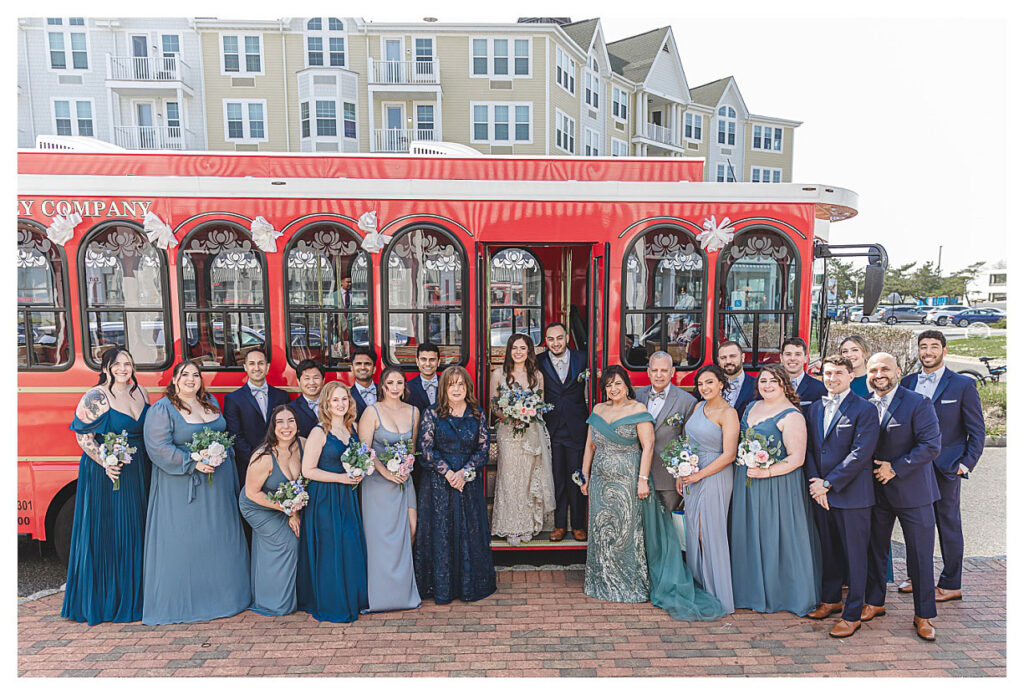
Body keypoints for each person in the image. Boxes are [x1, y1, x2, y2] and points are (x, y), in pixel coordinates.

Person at [580, 366, 724, 621]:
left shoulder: (638, 410)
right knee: (602, 529)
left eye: (618, 384)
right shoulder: (598, 410)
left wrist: (642, 481)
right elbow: (590, 445)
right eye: (609, 385)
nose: (614, 389)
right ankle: (601, 581)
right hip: (601, 482)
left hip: (628, 481)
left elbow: (647, 448)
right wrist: (585, 475)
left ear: (627, 386)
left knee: (626, 532)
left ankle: (629, 584)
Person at [141, 360, 250, 625]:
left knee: (220, 540)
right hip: (183, 487)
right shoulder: (162, 409)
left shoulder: (210, 401)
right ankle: (186, 603)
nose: (191, 379)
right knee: (186, 542)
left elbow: (222, 434)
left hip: (219, 484)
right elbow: (158, 448)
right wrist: (192, 461)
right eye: (185, 375)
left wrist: (220, 453)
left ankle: (228, 597)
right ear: (175, 380)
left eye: (196, 375)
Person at [62, 348, 150, 625]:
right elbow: (83, 436)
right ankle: (109, 601)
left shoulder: (141, 393)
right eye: (118, 364)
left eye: (128, 363)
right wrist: (105, 461)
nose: (123, 368)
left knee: (137, 529)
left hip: (139, 469)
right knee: (112, 532)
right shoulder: (96, 396)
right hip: (109, 472)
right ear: (107, 367)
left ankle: (138, 597)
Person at [896, 330, 985, 600]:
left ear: (944, 351)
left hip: (946, 467)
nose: (928, 352)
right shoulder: (908, 382)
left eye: (934, 347)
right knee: (915, 524)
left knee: (947, 523)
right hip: (913, 467)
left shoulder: (962, 385)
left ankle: (950, 583)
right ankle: (917, 576)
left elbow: (977, 431)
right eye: (923, 347)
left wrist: (965, 464)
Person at [861, 353, 943, 641]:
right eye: (873, 370)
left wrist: (895, 468)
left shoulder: (918, 403)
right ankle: (875, 602)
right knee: (875, 550)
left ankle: (923, 615)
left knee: (920, 555)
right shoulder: (866, 405)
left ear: (898, 370)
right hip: (876, 493)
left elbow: (931, 445)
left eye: (885, 368)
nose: (879, 374)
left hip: (913, 492)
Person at [729, 363, 820, 616]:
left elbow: (797, 458)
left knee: (775, 536)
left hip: (776, 486)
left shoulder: (792, 415)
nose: (767, 385)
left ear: (784, 385)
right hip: (747, 481)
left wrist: (766, 471)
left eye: (773, 381)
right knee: (748, 533)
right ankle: (748, 591)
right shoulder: (750, 407)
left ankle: (781, 594)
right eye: (763, 381)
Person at [804, 355, 881, 638]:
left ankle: (852, 614)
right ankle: (831, 599)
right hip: (820, 494)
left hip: (852, 496)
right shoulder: (814, 409)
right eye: (827, 373)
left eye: (838, 373)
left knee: (855, 557)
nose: (832, 378)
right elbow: (812, 450)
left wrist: (828, 483)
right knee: (829, 551)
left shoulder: (864, 409)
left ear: (851, 376)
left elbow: (861, 453)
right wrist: (816, 485)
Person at [414, 366, 496, 604]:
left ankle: (469, 586)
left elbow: (483, 450)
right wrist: (449, 473)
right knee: (441, 531)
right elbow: (426, 451)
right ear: (444, 388)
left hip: (467, 483)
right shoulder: (432, 413)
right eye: (452, 384)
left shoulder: (476, 413)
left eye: (461, 384)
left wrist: (465, 472)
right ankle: (441, 588)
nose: (457, 389)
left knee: (468, 531)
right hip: (439, 484)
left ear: (467, 387)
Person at [296, 382, 369, 622]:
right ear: (326, 404)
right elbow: (308, 470)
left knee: (348, 544)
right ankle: (332, 601)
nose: (340, 404)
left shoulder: (353, 428)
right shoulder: (320, 431)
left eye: (344, 400)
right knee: (330, 548)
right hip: (325, 497)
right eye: (335, 400)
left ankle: (353, 597)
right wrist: (340, 478)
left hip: (348, 497)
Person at [357, 367, 421, 612]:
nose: (395, 387)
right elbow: (366, 452)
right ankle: (381, 598)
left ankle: (403, 594)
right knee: (381, 539)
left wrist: (404, 470)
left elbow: (412, 449)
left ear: (405, 386)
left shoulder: (414, 412)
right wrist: (387, 473)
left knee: (411, 529)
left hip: (405, 481)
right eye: (390, 383)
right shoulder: (371, 412)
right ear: (382, 386)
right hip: (377, 483)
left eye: (399, 383)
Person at [677, 364, 739, 613]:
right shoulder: (697, 407)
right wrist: (680, 473)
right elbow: (686, 442)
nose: (705, 388)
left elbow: (729, 454)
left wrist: (699, 474)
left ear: (721, 384)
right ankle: (700, 585)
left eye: (710, 382)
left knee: (708, 532)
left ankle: (718, 593)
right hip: (691, 474)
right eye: (701, 384)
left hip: (715, 475)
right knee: (693, 530)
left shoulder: (728, 413)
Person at [490, 333, 556, 545]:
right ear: (509, 351)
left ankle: (527, 525)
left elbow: (540, 405)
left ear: (529, 351)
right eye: (514, 348)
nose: (518, 352)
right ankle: (510, 526)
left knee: (528, 479)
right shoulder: (499, 374)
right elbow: (493, 405)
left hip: (530, 432)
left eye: (522, 348)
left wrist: (528, 415)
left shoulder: (537, 375)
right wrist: (509, 416)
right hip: (508, 433)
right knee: (510, 479)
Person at [238, 404, 304, 616]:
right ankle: (274, 602)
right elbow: (252, 493)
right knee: (287, 542)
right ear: (273, 427)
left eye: (291, 421)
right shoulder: (263, 456)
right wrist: (289, 510)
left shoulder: (303, 445)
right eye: (280, 422)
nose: (286, 426)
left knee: (301, 539)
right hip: (257, 505)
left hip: (285, 505)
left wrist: (294, 511)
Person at [536, 322, 589, 541]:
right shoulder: (539, 362)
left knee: (576, 477)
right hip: (552, 428)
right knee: (556, 478)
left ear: (566, 338)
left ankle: (577, 524)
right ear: (545, 341)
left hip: (577, 426)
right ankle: (559, 525)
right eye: (550, 339)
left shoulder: (582, 358)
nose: (555, 343)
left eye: (559, 338)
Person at [634, 351, 697, 513]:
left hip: (668, 477)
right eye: (655, 370)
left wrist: (680, 474)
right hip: (637, 473)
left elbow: (687, 441)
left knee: (667, 524)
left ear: (672, 372)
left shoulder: (687, 401)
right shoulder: (636, 397)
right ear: (648, 372)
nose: (659, 375)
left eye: (664, 370)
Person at [223, 346, 290, 484]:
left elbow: (287, 429)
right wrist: (258, 459)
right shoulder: (233, 399)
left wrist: (278, 458)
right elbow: (235, 435)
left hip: (280, 463)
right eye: (252, 364)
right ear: (245, 367)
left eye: (261, 363)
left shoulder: (282, 396)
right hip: (249, 465)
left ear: (267, 366)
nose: (257, 368)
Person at [780, 337, 827, 414]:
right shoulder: (771, 387)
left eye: (798, 354)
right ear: (781, 358)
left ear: (805, 358)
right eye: (788, 354)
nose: (792, 358)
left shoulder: (820, 388)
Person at [716, 341, 757, 416]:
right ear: (718, 361)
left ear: (743, 357)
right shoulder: (711, 385)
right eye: (723, 358)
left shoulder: (757, 386)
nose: (728, 361)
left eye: (733, 356)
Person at [292, 359, 326, 438]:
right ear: (298, 382)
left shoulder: (332, 404)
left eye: (316, 378)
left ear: (323, 380)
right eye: (307, 378)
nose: (311, 383)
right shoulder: (291, 409)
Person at [406, 342, 441, 412]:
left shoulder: (447, 384)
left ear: (438, 362)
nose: (428, 364)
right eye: (423, 359)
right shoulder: (408, 387)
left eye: (432, 360)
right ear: (417, 361)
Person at [350, 346, 379, 419]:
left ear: (374, 369)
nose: (362, 367)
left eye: (367, 363)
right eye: (358, 363)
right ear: (352, 368)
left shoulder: (385, 391)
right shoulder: (347, 396)